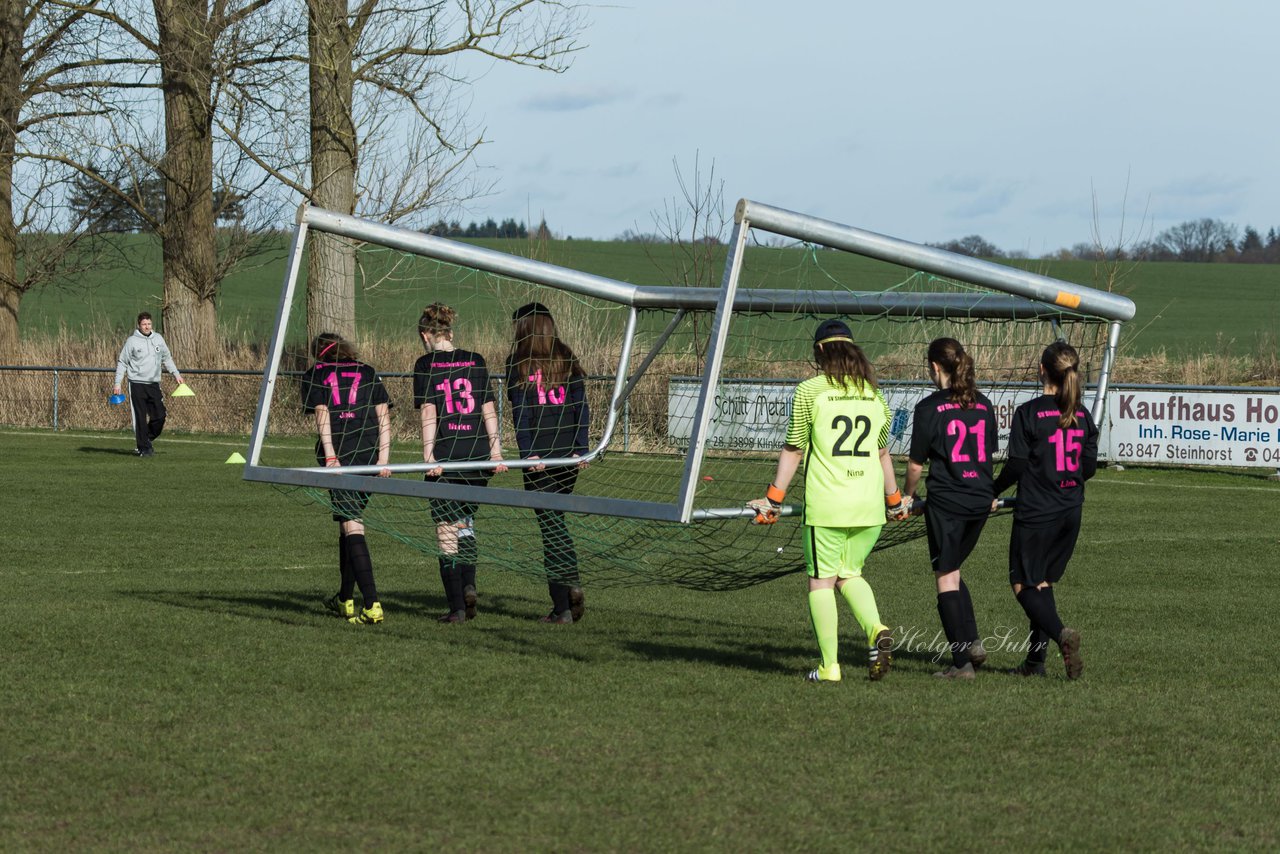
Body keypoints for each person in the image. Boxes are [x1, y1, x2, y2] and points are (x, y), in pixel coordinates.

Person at [748, 319, 907, 683]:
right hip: (869, 507)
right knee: (850, 574)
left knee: (821, 582)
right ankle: (876, 628)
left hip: (829, 506)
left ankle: (829, 667)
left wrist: (773, 498)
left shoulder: (810, 391)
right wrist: (895, 499)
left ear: (820, 351)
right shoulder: (873, 394)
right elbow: (883, 453)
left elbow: (794, 448)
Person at [992, 341, 1098, 679]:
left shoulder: (1029, 413)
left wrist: (990, 491)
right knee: (1043, 584)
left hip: (1038, 512)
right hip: (1071, 511)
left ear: (1042, 370)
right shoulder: (1083, 414)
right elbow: (1089, 467)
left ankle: (1061, 635)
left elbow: (1016, 467)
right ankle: (1035, 664)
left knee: (1022, 585)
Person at [901, 337, 999, 680]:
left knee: (945, 575)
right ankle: (972, 643)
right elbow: (986, 454)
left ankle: (961, 665)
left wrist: (908, 497)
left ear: (934, 367)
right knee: (954, 567)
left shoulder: (928, 408)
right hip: (980, 500)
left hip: (947, 501)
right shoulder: (985, 405)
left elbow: (915, 466)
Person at [413, 303, 508, 624]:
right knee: (465, 524)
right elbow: (488, 408)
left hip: (447, 454)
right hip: (477, 454)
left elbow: (428, 411)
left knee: (445, 531)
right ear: (450, 333)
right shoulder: (476, 360)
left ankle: (456, 607)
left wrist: (429, 457)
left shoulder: (426, 364)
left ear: (426, 335)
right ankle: (468, 586)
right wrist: (496, 452)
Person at [299, 332, 393, 626]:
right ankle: (344, 598)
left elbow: (322, 413)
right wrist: (383, 459)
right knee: (347, 522)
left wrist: (330, 456)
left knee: (352, 525)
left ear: (319, 354)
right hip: (368, 454)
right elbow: (383, 416)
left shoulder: (315, 373)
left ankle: (372, 603)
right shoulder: (367, 371)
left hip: (341, 455)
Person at [506, 302, 589, 624]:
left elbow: (521, 415)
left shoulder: (518, 362)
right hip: (567, 456)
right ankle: (568, 593)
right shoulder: (566, 355)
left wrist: (528, 455)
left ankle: (564, 603)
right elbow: (582, 408)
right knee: (556, 522)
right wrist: (580, 449)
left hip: (541, 458)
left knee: (551, 527)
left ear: (525, 328)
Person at [113, 311, 184, 457]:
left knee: (160, 415)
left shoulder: (158, 339)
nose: (147, 327)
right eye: (144, 324)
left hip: (153, 384)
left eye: (149, 324)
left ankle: (147, 439)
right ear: (139, 325)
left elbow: (167, 358)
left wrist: (176, 374)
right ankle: (144, 448)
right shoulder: (131, 341)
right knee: (140, 417)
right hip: (137, 384)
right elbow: (122, 362)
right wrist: (117, 383)